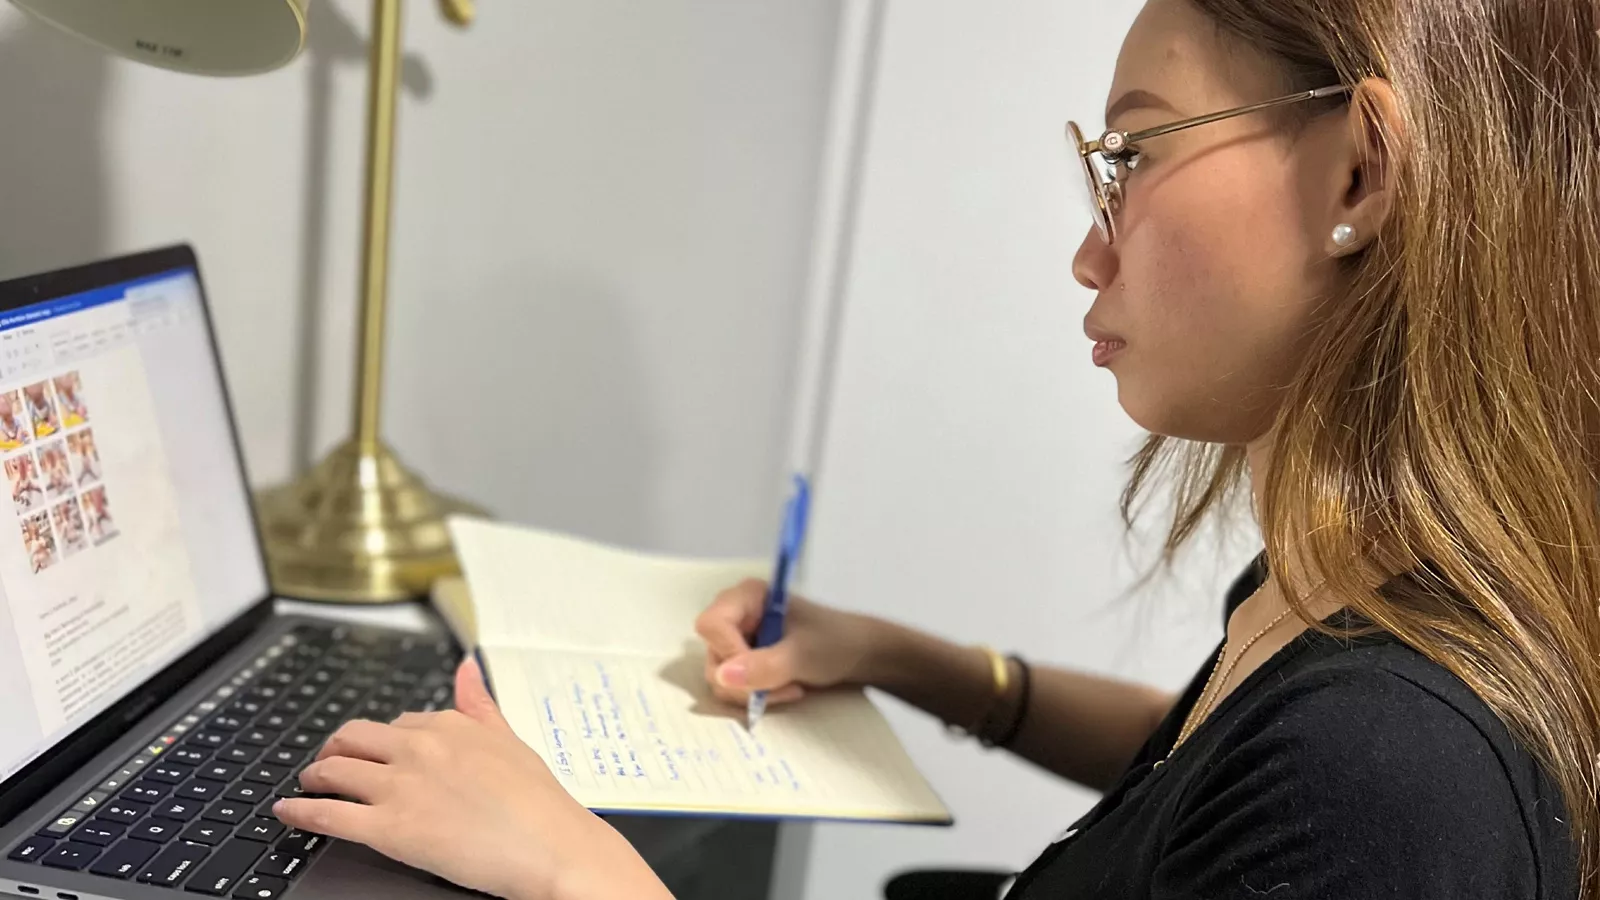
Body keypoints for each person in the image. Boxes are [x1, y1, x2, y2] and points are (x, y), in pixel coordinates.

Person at [272, 0, 1599, 898]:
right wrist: (914, 662)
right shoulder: (1353, 597)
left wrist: (582, 871)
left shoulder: (1393, 780)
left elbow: (1304, 790)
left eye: (1132, 152)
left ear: (1361, 175)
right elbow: (1210, 773)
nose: (1091, 243)